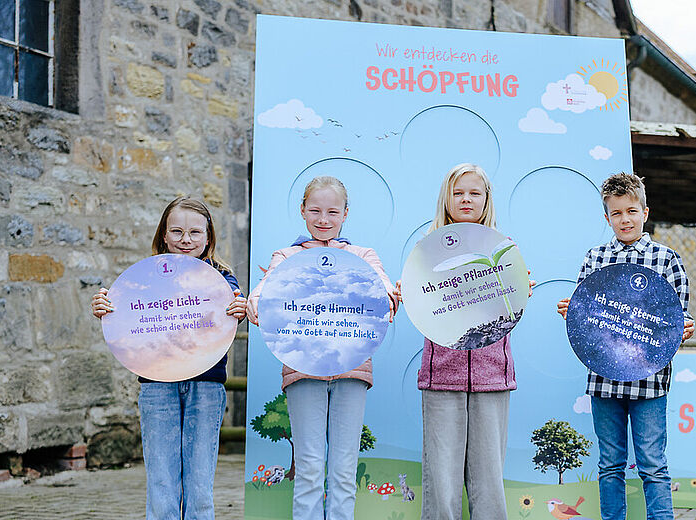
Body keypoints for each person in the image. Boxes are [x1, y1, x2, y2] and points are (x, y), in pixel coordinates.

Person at [248, 176, 397, 520]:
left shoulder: (363, 256)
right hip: (302, 371)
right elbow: (265, 290)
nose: (324, 219)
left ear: (346, 213)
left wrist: (390, 296)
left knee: (344, 469)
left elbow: (384, 288)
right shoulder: (286, 257)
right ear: (302, 210)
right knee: (309, 468)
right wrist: (256, 302)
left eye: (332, 211)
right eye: (315, 210)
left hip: (352, 371)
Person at [91, 196, 247, 520]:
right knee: (161, 482)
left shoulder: (223, 280)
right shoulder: (142, 279)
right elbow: (124, 313)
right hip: (157, 385)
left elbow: (232, 310)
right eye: (177, 231)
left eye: (195, 232)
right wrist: (106, 306)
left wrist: (239, 308)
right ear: (164, 234)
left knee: (199, 486)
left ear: (208, 237)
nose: (186, 239)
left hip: (206, 387)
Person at [555, 173, 694, 520]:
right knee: (610, 464)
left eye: (631, 211)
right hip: (604, 382)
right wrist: (573, 312)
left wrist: (683, 329)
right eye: (616, 213)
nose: (625, 219)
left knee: (653, 464)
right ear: (607, 218)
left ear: (645, 212)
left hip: (650, 382)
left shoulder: (667, 259)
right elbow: (586, 319)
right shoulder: (595, 258)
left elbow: (677, 316)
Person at [404, 163, 528, 520]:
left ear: (487, 198)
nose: (466, 199)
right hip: (441, 378)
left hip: (493, 377)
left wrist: (520, 290)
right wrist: (408, 293)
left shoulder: (504, 249)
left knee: (489, 482)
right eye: (458, 193)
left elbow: (509, 307)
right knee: (441, 483)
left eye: (474, 192)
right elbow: (422, 303)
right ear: (446, 198)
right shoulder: (426, 250)